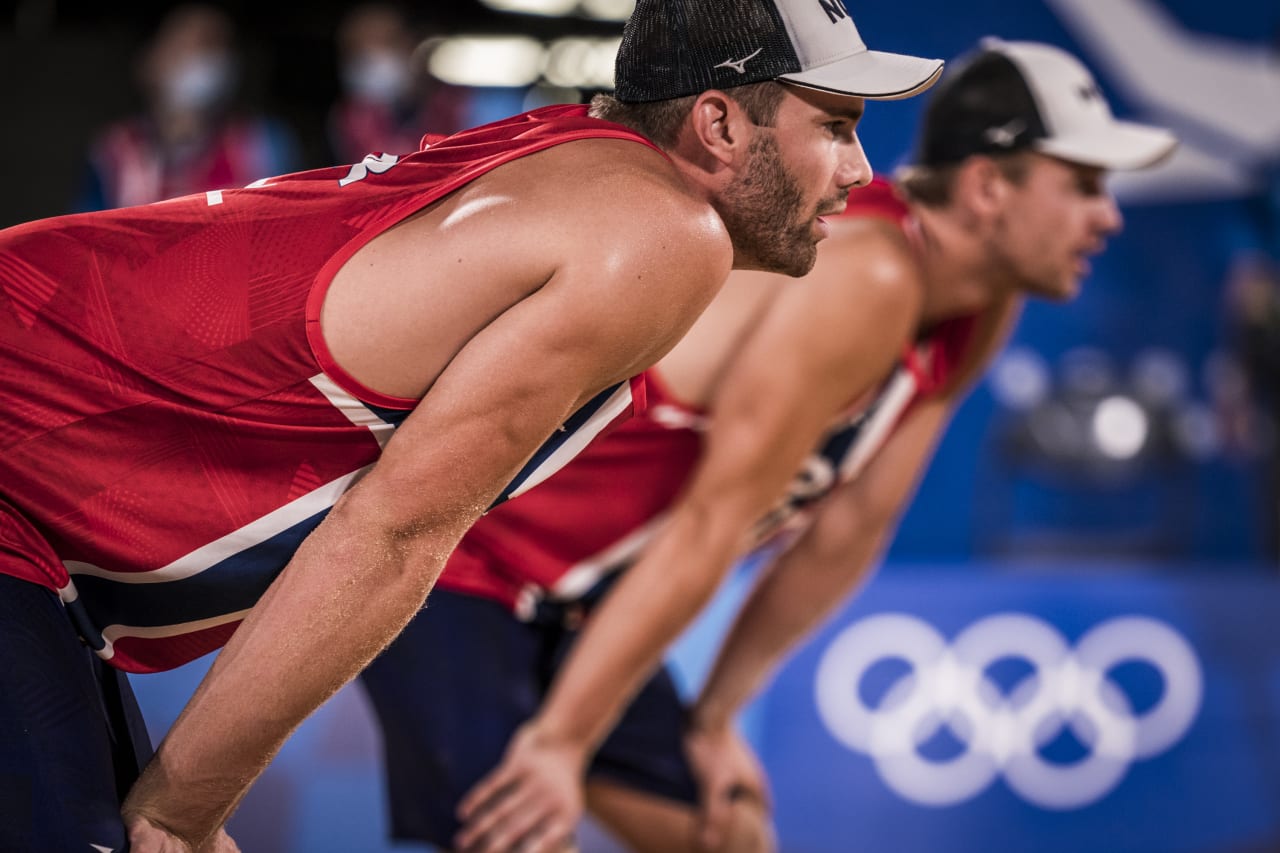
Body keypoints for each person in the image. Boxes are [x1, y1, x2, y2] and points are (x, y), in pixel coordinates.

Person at [0, 1, 943, 851]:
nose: (863, 168)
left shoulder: (585, 164)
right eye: (837, 126)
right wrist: (183, 810)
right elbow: (394, 530)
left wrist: (184, 805)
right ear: (720, 121)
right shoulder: (661, 231)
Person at [357, 38, 1177, 853]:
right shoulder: (873, 275)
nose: (1107, 214)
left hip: (572, 599)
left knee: (729, 835)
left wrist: (714, 716)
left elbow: (848, 533)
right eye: (1082, 185)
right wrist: (563, 741)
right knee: (519, 836)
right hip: (466, 561)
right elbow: (710, 524)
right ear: (989, 186)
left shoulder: (978, 302)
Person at [75, 4, 299, 211]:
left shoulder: (262, 143)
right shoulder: (115, 151)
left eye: (217, 48)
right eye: (190, 47)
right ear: (149, 61)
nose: (206, 61)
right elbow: (87, 241)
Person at [327, 3, 473, 164]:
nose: (369, 59)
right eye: (357, 49)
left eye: (382, 43)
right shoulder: (349, 118)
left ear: (411, 44)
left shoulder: (463, 105)